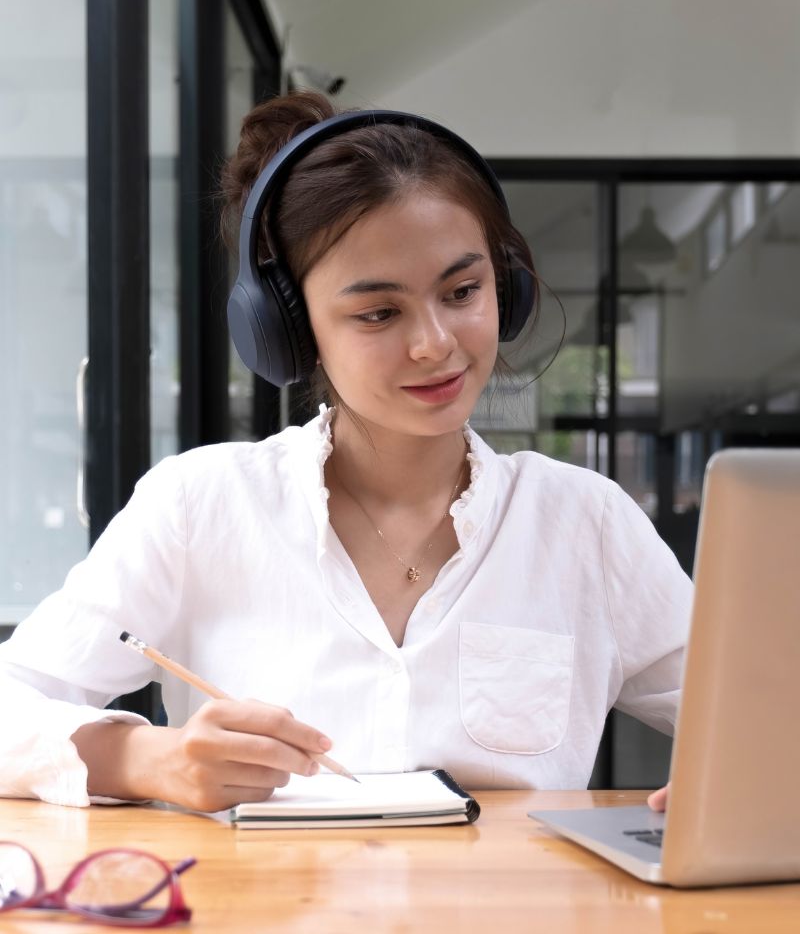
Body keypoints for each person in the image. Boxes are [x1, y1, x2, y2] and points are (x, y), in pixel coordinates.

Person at [0, 92, 690, 813]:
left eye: (462, 290)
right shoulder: (201, 506)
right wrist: (149, 759)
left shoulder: (584, 522)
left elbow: (760, 711)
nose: (435, 343)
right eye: (379, 313)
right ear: (290, 330)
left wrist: (747, 780)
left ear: (505, 286)